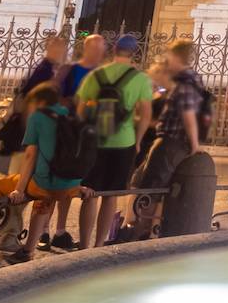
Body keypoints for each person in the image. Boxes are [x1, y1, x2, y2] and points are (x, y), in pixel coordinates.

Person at [76, 34, 154, 250]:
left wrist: (86, 135)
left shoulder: (97, 75)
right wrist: (138, 141)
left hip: (96, 141)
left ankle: (83, 245)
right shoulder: (140, 79)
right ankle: (100, 244)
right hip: (123, 142)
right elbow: (146, 114)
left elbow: (80, 111)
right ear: (134, 53)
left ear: (114, 51)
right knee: (110, 196)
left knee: (89, 194)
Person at [129, 41, 206, 236]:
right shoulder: (189, 80)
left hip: (170, 142)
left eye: (169, 56)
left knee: (151, 190)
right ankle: (144, 231)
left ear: (176, 57)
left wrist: (195, 144)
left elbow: (188, 114)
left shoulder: (185, 82)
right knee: (149, 185)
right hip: (172, 142)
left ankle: (140, 234)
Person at [8, 84, 86, 260]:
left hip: (49, 182)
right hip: (72, 181)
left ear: (40, 101)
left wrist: (19, 189)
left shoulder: (37, 117)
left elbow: (30, 155)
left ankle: (27, 250)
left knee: (38, 197)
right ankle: (44, 236)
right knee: (48, 190)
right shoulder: (71, 114)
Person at [0, 34, 67, 160]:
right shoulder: (44, 70)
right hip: (35, 125)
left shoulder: (50, 68)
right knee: (26, 160)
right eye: (60, 48)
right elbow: (33, 99)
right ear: (52, 49)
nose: (63, 51)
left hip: (37, 124)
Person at [54, 34, 107, 102]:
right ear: (86, 48)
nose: (98, 52)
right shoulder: (67, 69)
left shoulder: (103, 73)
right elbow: (55, 94)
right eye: (95, 48)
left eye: (101, 49)